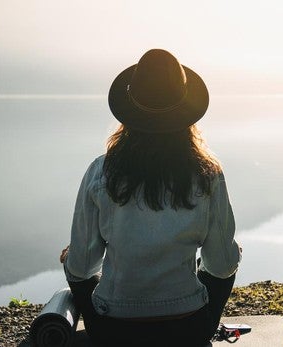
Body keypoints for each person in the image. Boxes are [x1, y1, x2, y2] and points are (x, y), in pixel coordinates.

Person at [60, 48, 241, 346]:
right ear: (186, 112)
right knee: (229, 257)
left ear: (129, 112)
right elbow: (220, 265)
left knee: (75, 268)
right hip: (189, 329)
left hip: (113, 331)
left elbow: (83, 266)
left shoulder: (100, 171)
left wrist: (73, 258)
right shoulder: (208, 174)